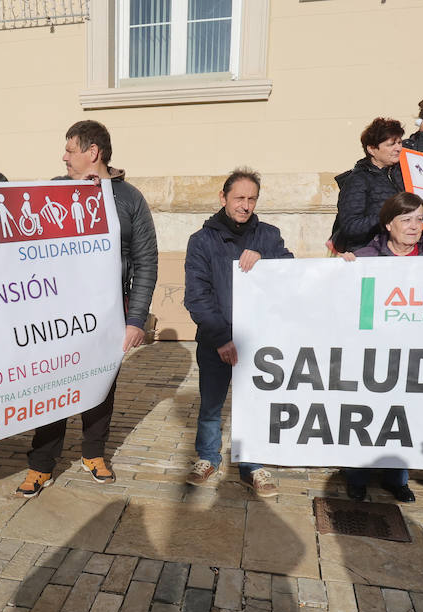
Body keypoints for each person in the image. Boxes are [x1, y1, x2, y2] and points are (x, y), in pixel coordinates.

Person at [16, 120, 157, 496]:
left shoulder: (129, 199)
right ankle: (40, 465)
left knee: (101, 385)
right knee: (53, 386)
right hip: (58, 316)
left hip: (108, 316)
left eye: (70, 149)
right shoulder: (53, 193)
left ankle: (93, 453)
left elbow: (146, 261)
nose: (63, 156)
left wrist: (136, 319)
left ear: (92, 152)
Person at [336, 192, 423, 502]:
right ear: (389, 224)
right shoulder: (365, 257)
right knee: (367, 415)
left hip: (417, 354)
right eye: (406, 219)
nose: (414, 226)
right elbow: (339, 302)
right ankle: (357, 476)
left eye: (419, 219)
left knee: (406, 416)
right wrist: (343, 268)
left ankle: (396, 478)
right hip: (373, 354)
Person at [183, 168, 294, 497]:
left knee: (255, 405)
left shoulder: (269, 236)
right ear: (223, 198)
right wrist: (221, 339)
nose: (245, 205)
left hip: (260, 341)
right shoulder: (201, 241)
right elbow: (197, 297)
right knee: (211, 405)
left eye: (251, 198)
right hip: (216, 340)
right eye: (239, 198)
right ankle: (206, 457)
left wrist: (265, 258)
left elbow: (290, 271)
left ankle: (252, 465)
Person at [326, 117, 405, 254]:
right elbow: (351, 227)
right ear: (372, 149)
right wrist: (385, 216)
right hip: (369, 253)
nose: (398, 148)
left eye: (399, 142)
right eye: (391, 144)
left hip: (399, 250)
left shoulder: (403, 174)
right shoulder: (358, 180)